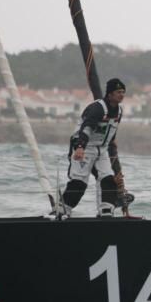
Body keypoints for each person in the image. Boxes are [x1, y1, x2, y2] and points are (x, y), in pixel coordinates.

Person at [59, 78, 126, 218]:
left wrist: (115, 164)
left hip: (102, 149)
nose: (122, 95)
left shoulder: (119, 111)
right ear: (110, 94)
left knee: (108, 179)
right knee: (79, 183)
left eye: (123, 92)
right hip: (84, 147)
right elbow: (86, 129)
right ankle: (62, 210)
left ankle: (106, 211)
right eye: (118, 92)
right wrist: (80, 147)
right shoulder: (98, 108)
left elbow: (111, 137)